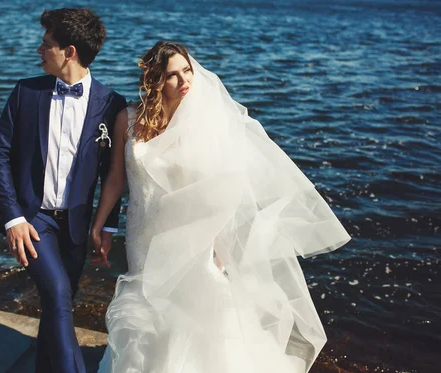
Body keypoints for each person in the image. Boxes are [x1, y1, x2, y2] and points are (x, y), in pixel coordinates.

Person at [90, 41, 351, 373]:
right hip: (144, 233)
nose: (184, 80)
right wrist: (100, 224)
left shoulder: (202, 126)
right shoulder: (127, 119)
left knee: (193, 309)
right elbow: (115, 178)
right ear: (155, 80)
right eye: (172, 75)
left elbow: (224, 189)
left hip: (192, 237)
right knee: (149, 306)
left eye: (187, 71)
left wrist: (220, 244)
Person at [0, 8, 126, 373]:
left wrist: (107, 227)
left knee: (56, 302)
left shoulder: (111, 104)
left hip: (76, 226)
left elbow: (115, 172)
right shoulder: (25, 92)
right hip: (32, 220)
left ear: (70, 52)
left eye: (47, 44)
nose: (39, 50)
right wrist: (13, 218)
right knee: (59, 297)